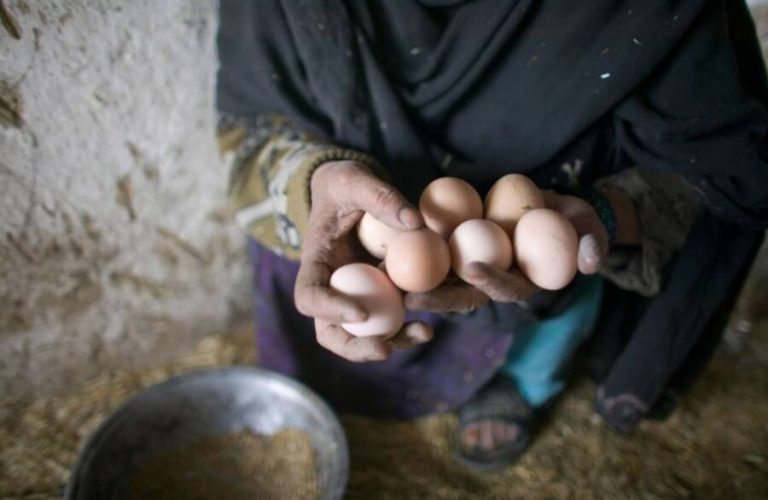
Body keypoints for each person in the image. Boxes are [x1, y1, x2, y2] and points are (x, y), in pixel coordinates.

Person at [216, 0, 768, 470]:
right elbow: (252, 126)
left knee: (559, 267)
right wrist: (313, 181)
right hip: (359, 223)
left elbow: (730, 160)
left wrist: (608, 210)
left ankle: (524, 383)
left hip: (560, 200)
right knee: (352, 307)